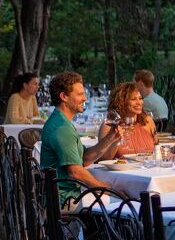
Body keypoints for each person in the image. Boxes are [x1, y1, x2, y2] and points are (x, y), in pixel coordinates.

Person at [40, 72, 122, 204]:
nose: (85, 98)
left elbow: (83, 159)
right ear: (64, 97)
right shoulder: (62, 128)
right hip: (65, 200)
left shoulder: (61, 121)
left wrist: (109, 139)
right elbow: (75, 172)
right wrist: (106, 188)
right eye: (80, 94)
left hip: (64, 195)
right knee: (124, 201)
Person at [97, 82, 156, 158]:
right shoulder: (108, 126)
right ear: (122, 102)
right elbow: (104, 159)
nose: (139, 103)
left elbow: (156, 147)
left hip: (147, 167)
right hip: (121, 169)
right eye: (134, 99)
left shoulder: (148, 121)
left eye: (140, 98)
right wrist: (116, 141)